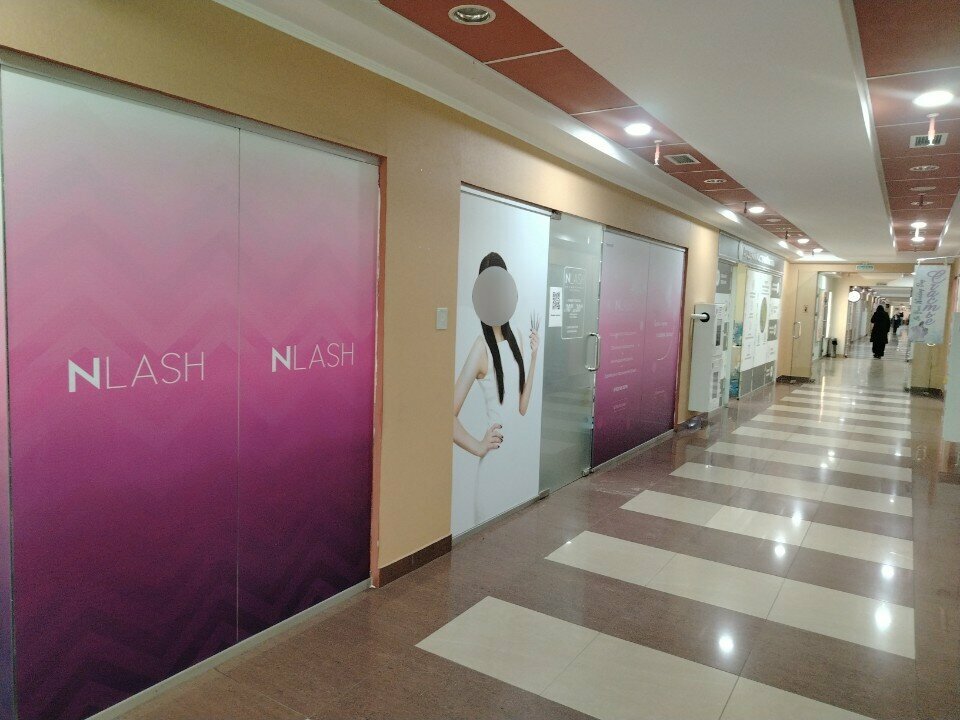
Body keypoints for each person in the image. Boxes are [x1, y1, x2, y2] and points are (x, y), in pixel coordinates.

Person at [453, 252, 540, 522]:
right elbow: (446, 415)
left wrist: (534, 357)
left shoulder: (519, 340)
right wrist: (479, 446)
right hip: (494, 469)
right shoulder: (481, 348)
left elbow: (522, 407)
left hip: (518, 463)